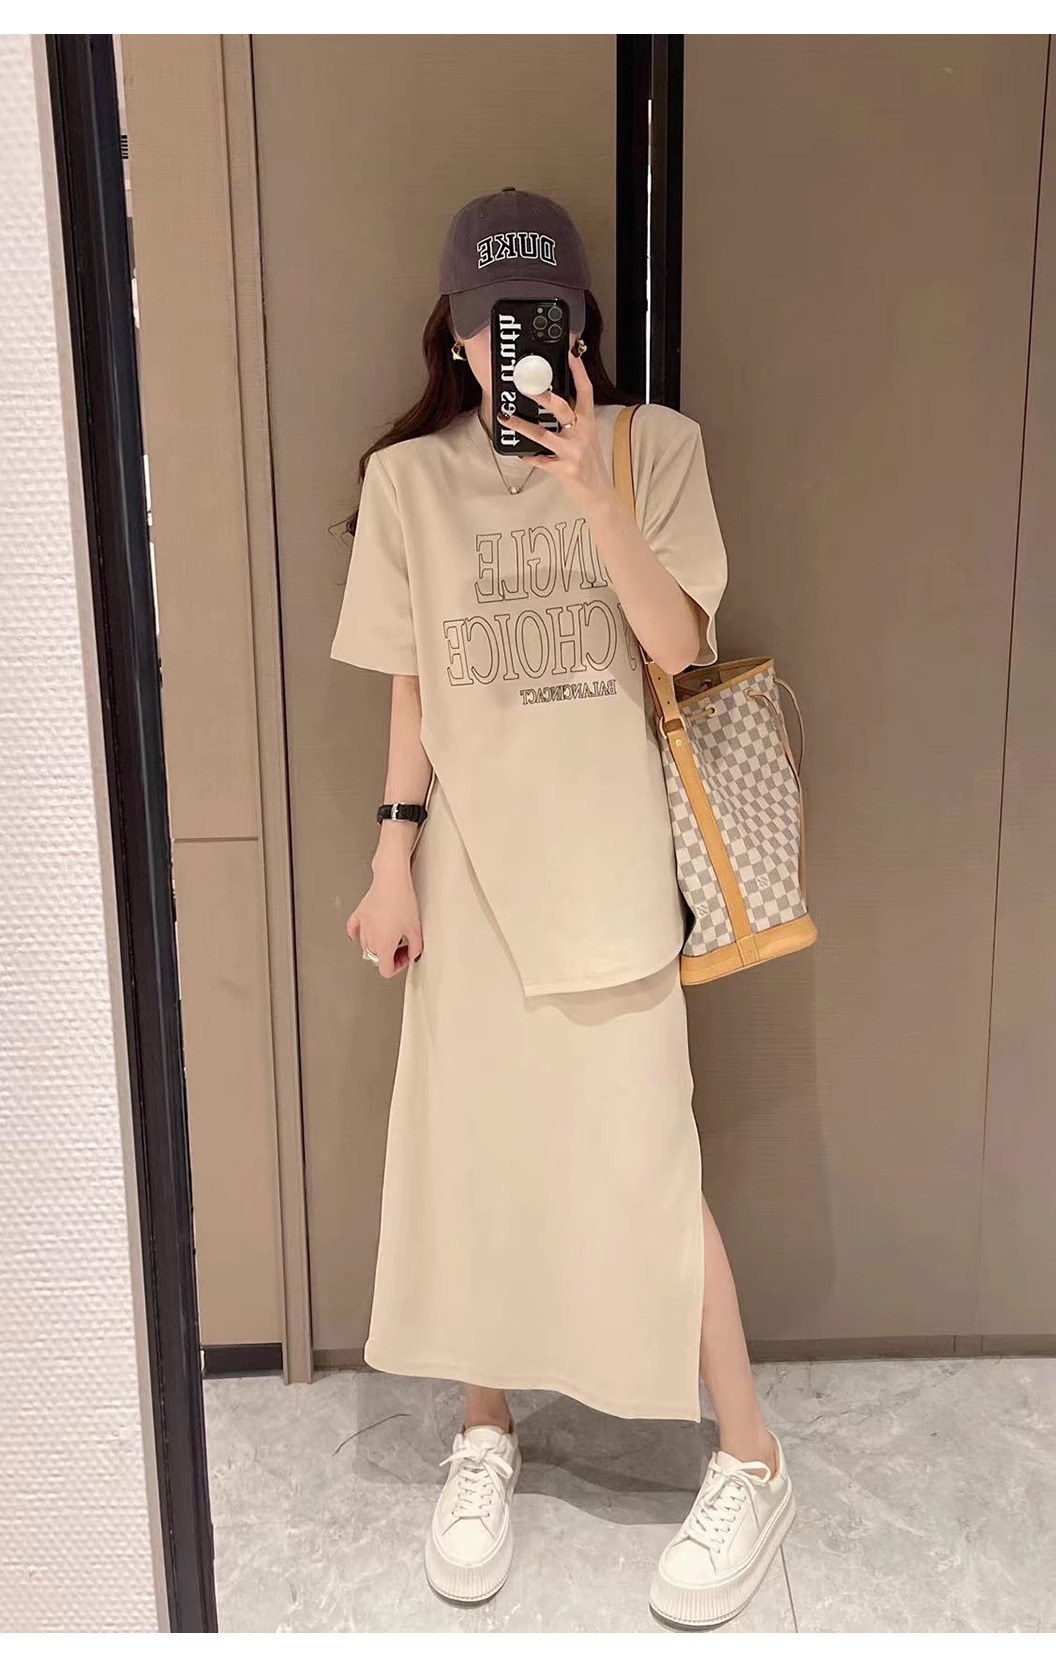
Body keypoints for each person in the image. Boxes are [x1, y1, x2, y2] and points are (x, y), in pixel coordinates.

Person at [330, 187, 793, 1630]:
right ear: (454, 334)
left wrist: (595, 494)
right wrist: (391, 857)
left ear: (577, 328)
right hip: (468, 884)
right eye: (484, 323)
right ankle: (485, 1432)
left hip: (610, 879)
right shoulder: (406, 484)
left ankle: (752, 1457)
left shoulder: (657, 452)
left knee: (652, 1173)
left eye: (533, 321)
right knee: (477, 1160)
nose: (505, 348)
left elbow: (683, 643)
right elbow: (413, 685)